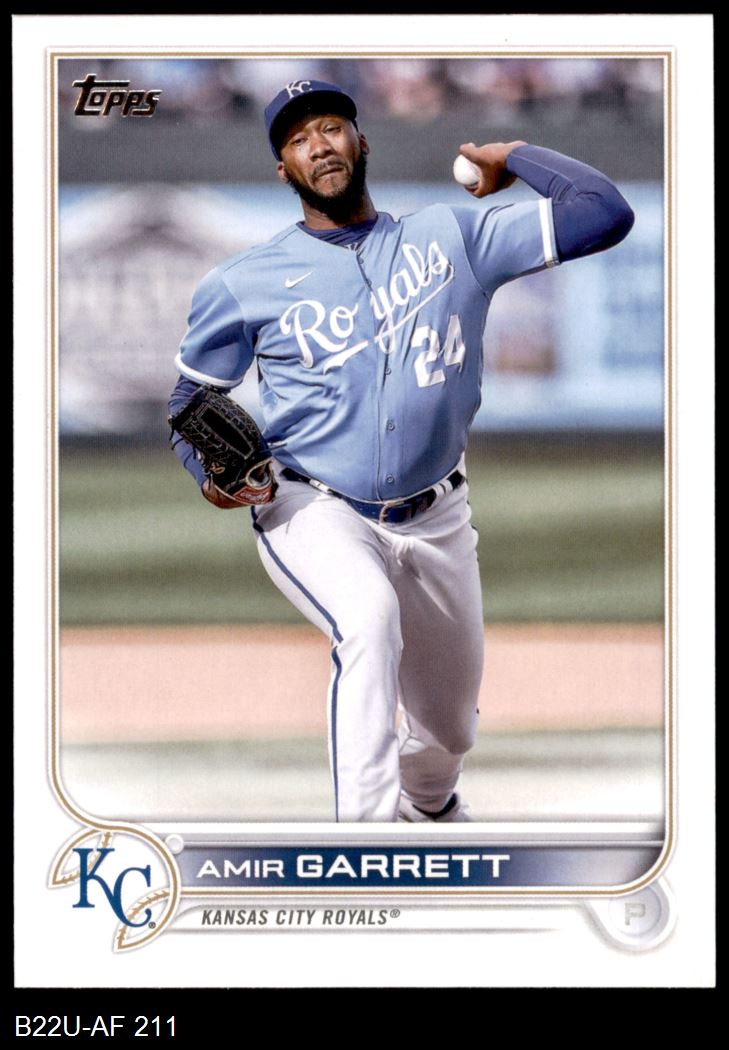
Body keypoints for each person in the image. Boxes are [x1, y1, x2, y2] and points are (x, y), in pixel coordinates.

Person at [169, 78, 634, 823]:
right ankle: (364, 846)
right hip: (311, 505)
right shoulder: (241, 283)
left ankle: (428, 809)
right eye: (297, 139)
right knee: (368, 619)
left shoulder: (452, 238)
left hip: (438, 514)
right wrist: (211, 477)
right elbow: (189, 405)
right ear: (283, 170)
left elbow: (604, 213)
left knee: (448, 733)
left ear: (361, 141)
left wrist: (515, 154)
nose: (319, 145)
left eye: (331, 127)